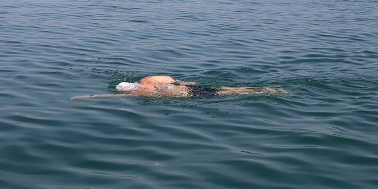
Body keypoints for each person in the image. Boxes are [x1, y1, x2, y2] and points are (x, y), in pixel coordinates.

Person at [73, 75, 286, 100]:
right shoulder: (150, 80)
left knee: (223, 92)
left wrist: (88, 97)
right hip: (188, 87)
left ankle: (267, 91)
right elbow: (170, 77)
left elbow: (110, 97)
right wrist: (180, 83)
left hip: (188, 94)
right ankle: (267, 89)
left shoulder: (143, 90)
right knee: (226, 89)